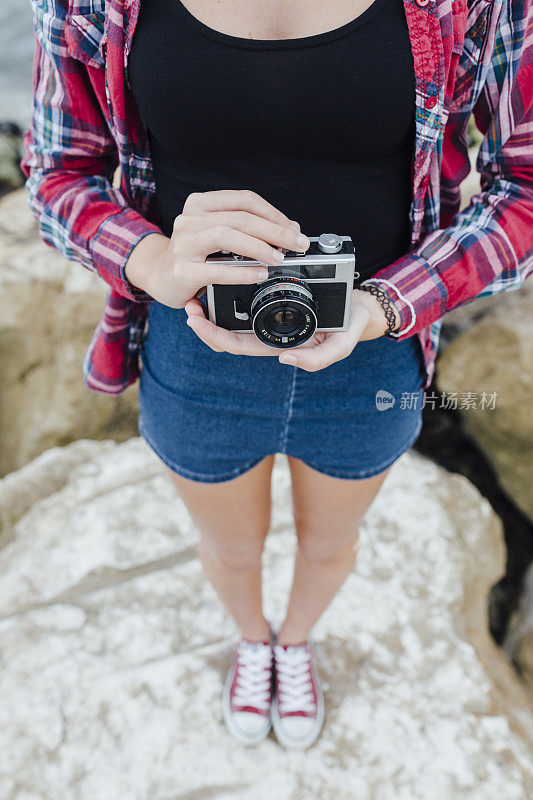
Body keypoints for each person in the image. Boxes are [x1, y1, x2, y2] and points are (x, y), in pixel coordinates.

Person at [22, 0, 533, 750]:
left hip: (374, 342)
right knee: (228, 548)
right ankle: (252, 642)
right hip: (193, 341)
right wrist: (151, 259)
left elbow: (522, 186)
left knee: (330, 543)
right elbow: (57, 171)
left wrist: (382, 306)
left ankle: (294, 642)